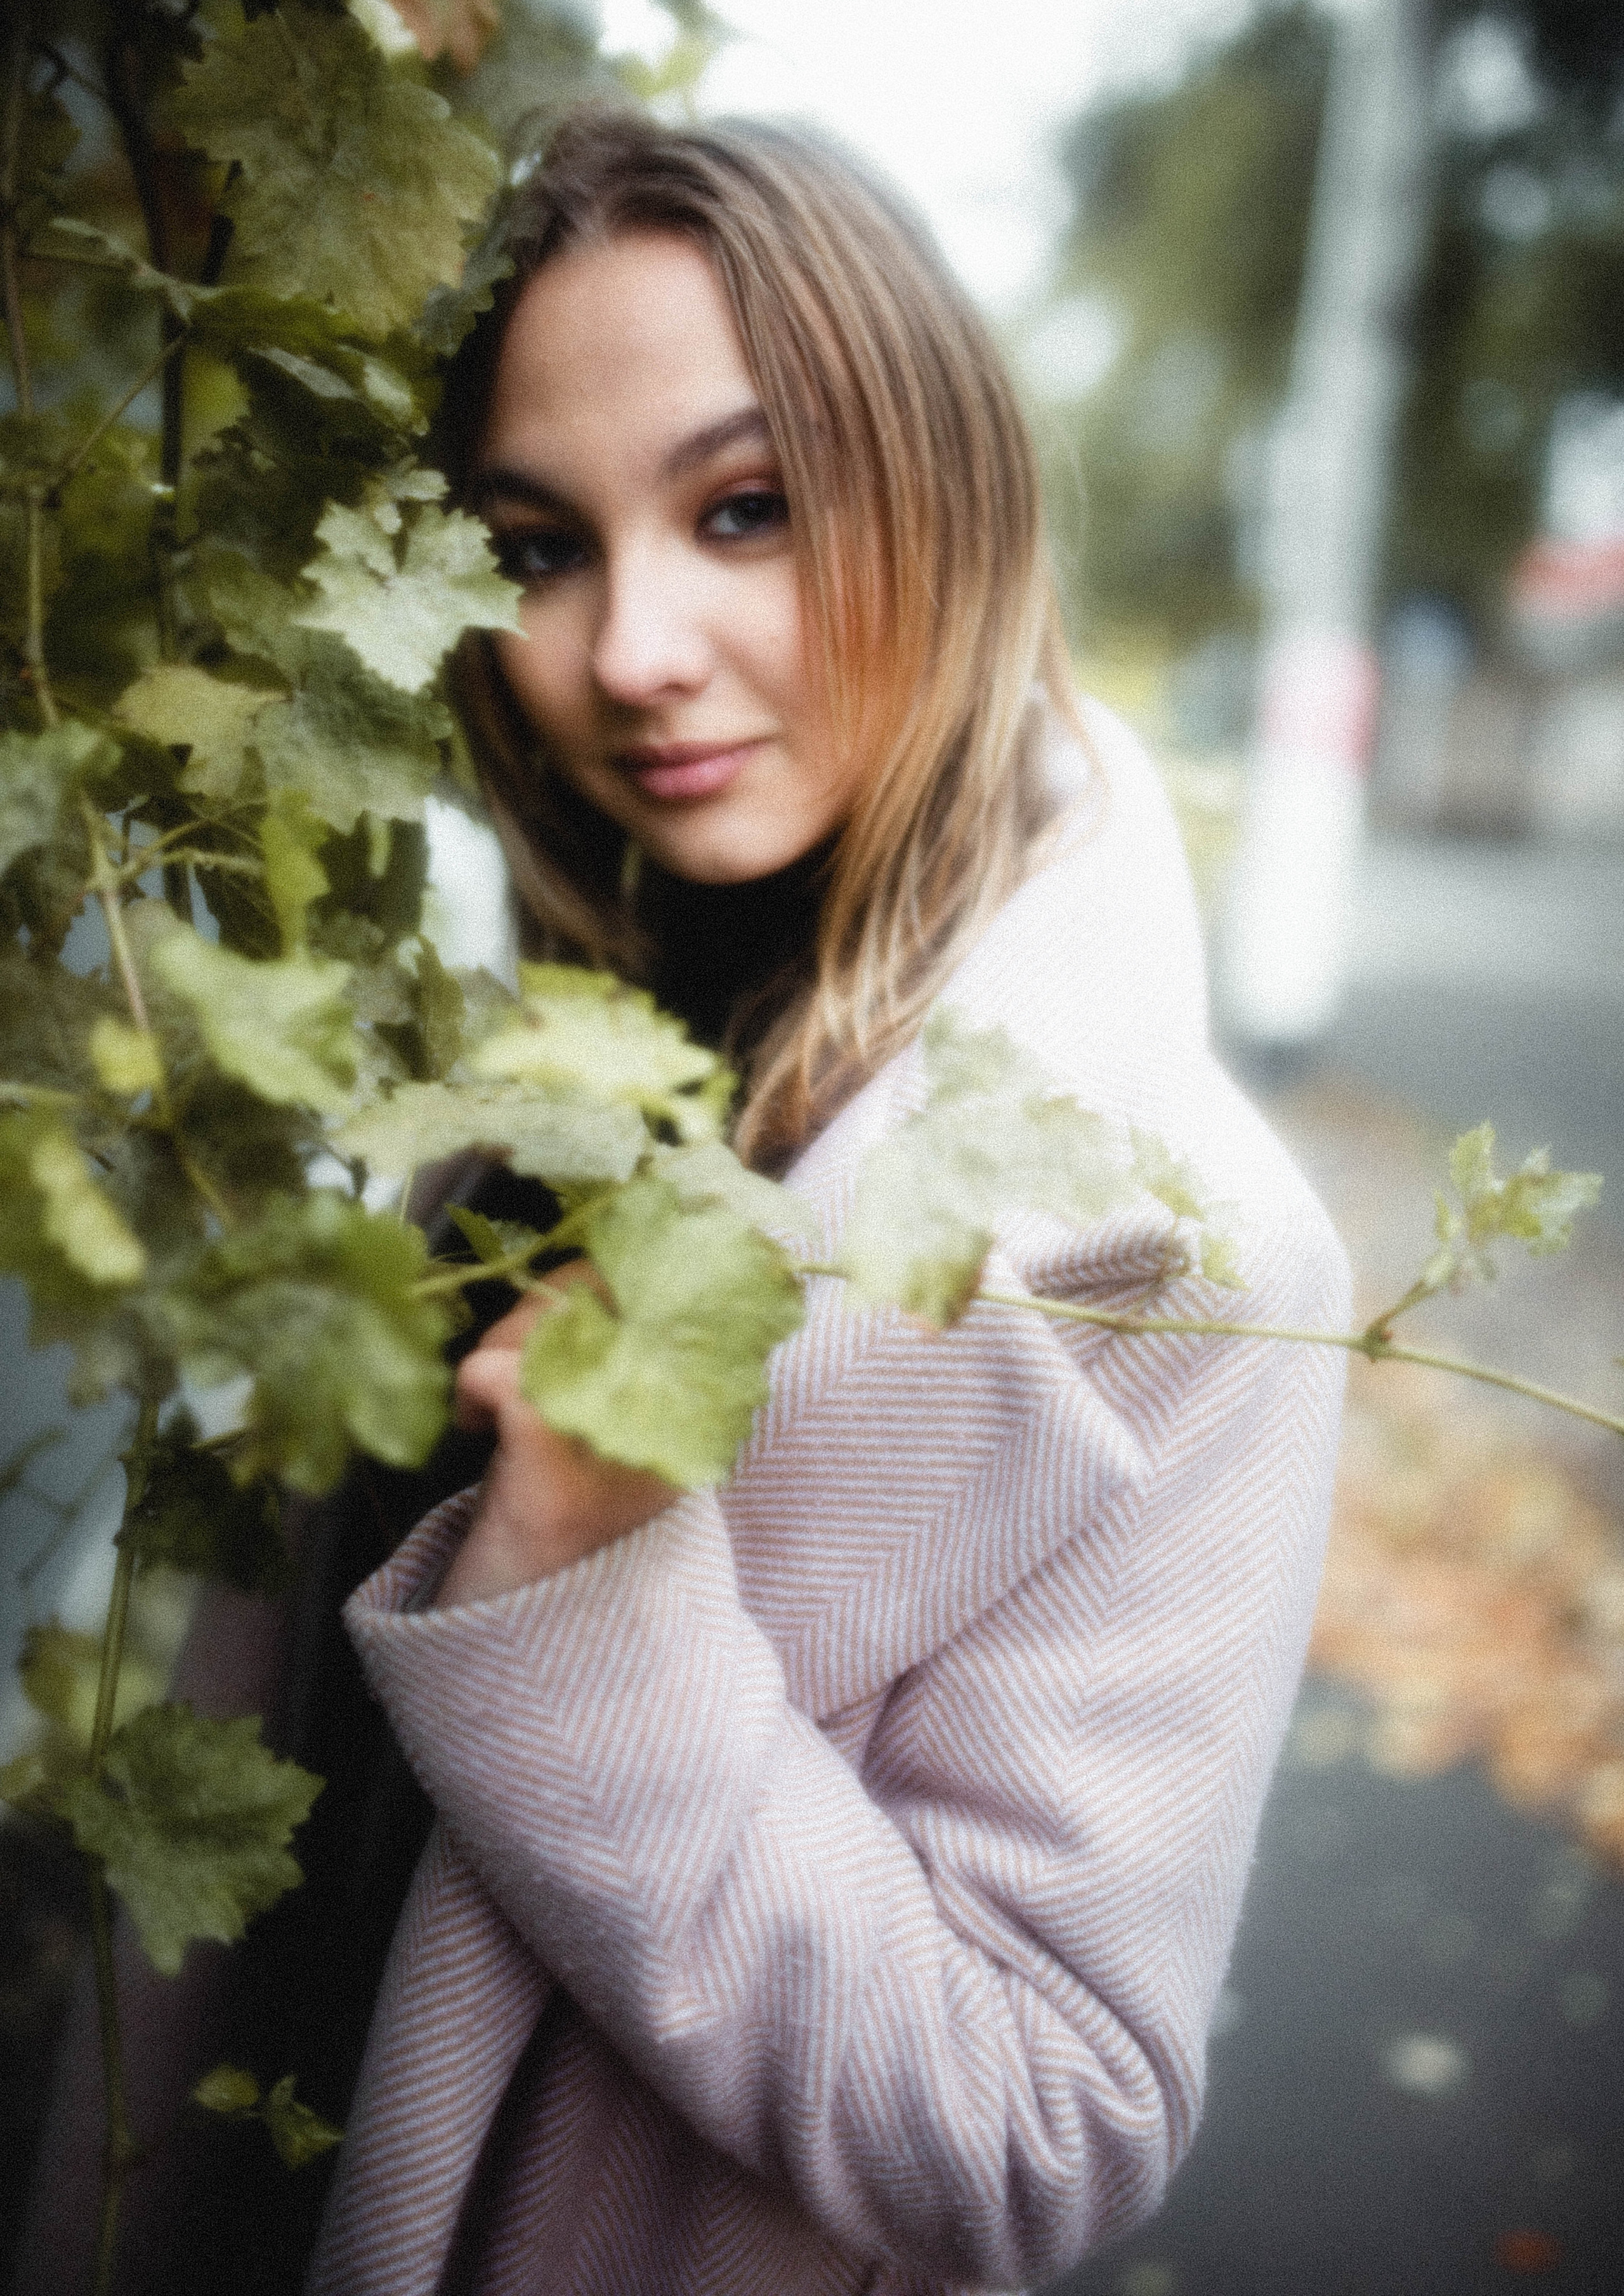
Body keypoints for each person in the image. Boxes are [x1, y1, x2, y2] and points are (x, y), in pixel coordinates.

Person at [294, 110, 1351, 2296]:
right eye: (539, 544)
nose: (632, 649)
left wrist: (588, 1592)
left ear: (948, 493)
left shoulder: (1188, 1258)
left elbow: (1044, 2126)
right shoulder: (514, 1091)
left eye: (745, 509)